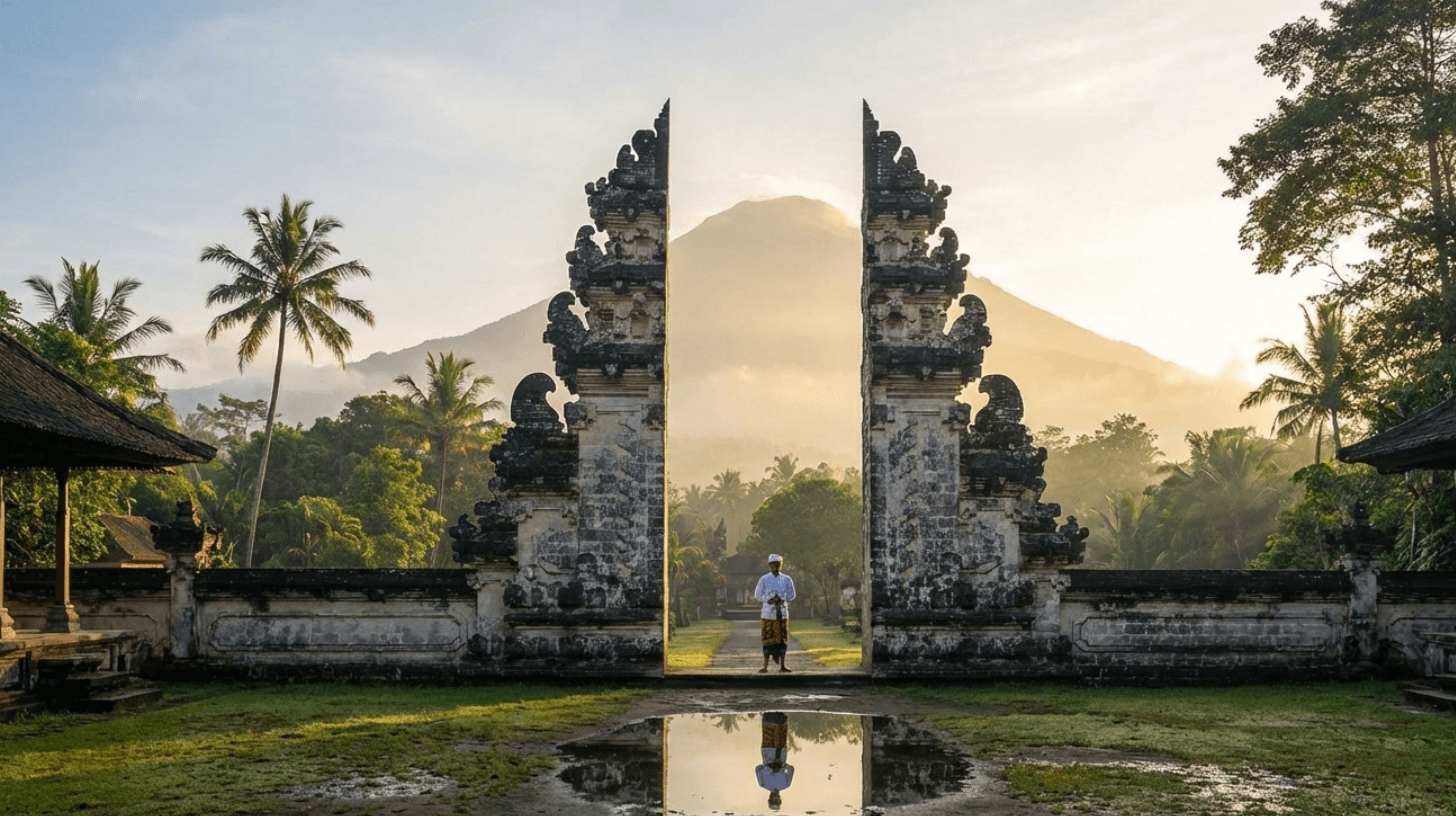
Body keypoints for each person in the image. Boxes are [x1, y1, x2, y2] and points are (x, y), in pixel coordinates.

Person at [754, 554, 796, 673]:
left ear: (781, 565)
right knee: (768, 640)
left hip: (782, 613)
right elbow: (757, 595)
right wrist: (768, 599)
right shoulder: (764, 579)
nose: (775, 567)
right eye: (773, 565)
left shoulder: (787, 579)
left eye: (778, 565)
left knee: (782, 640)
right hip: (768, 614)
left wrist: (782, 598)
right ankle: (765, 666)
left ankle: (782, 665)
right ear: (769, 566)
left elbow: (792, 595)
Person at [755, 711, 793, 811]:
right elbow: (791, 769)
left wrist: (769, 768)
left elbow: (758, 769)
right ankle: (782, 715)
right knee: (781, 733)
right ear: (780, 799)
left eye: (773, 800)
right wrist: (782, 767)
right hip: (781, 753)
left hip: (768, 752)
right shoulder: (786, 784)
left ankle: (768, 715)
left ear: (769, 798)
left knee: (769, 732)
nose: (775, 798)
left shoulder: (762, 784)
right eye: (777, 800)